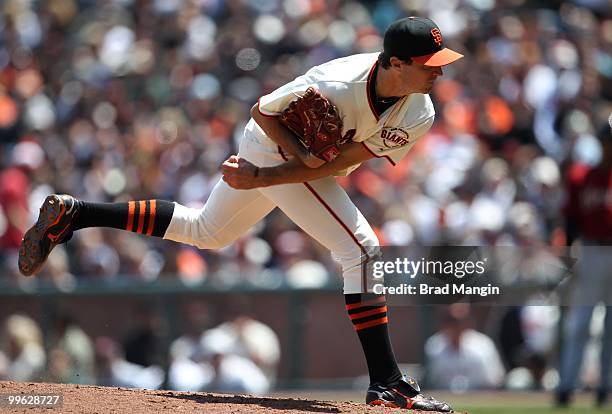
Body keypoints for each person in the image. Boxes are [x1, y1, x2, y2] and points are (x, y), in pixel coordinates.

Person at [18, 17, 463, 411]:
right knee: (362, 249)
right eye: (429, 62)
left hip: (291, 162)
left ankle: (76, 214)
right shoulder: (337, 82)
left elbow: (340, 159)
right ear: (397, 63)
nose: (439, 70)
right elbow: (264, 111)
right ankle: (386, 382)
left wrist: (284, 172)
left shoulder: (419, 110)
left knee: (206, 231)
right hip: (267, 143)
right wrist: (266, 172)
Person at [557, 122, 612, 408]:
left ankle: (606, 387)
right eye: (607, 140)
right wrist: (569, 255)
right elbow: (570, 220)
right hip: (591, 249)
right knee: (580, 322)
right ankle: (566, 385)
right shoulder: (582, 176)